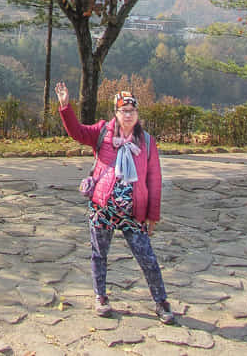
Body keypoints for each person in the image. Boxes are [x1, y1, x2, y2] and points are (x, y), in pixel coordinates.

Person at [55, 81, 174, 324]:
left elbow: (155, 179)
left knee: (147, 258)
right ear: (116, 113)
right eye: (123, 111)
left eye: (132, 111)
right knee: (99, 254)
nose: (128, 115)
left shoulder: (147, 142)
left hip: (134, 212)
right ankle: (101, 297)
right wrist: (66, 107)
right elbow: (77, 132)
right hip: (103, 208)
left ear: (137, 114)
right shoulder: (101, 133)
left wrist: (153, 215)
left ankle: (161, 302)